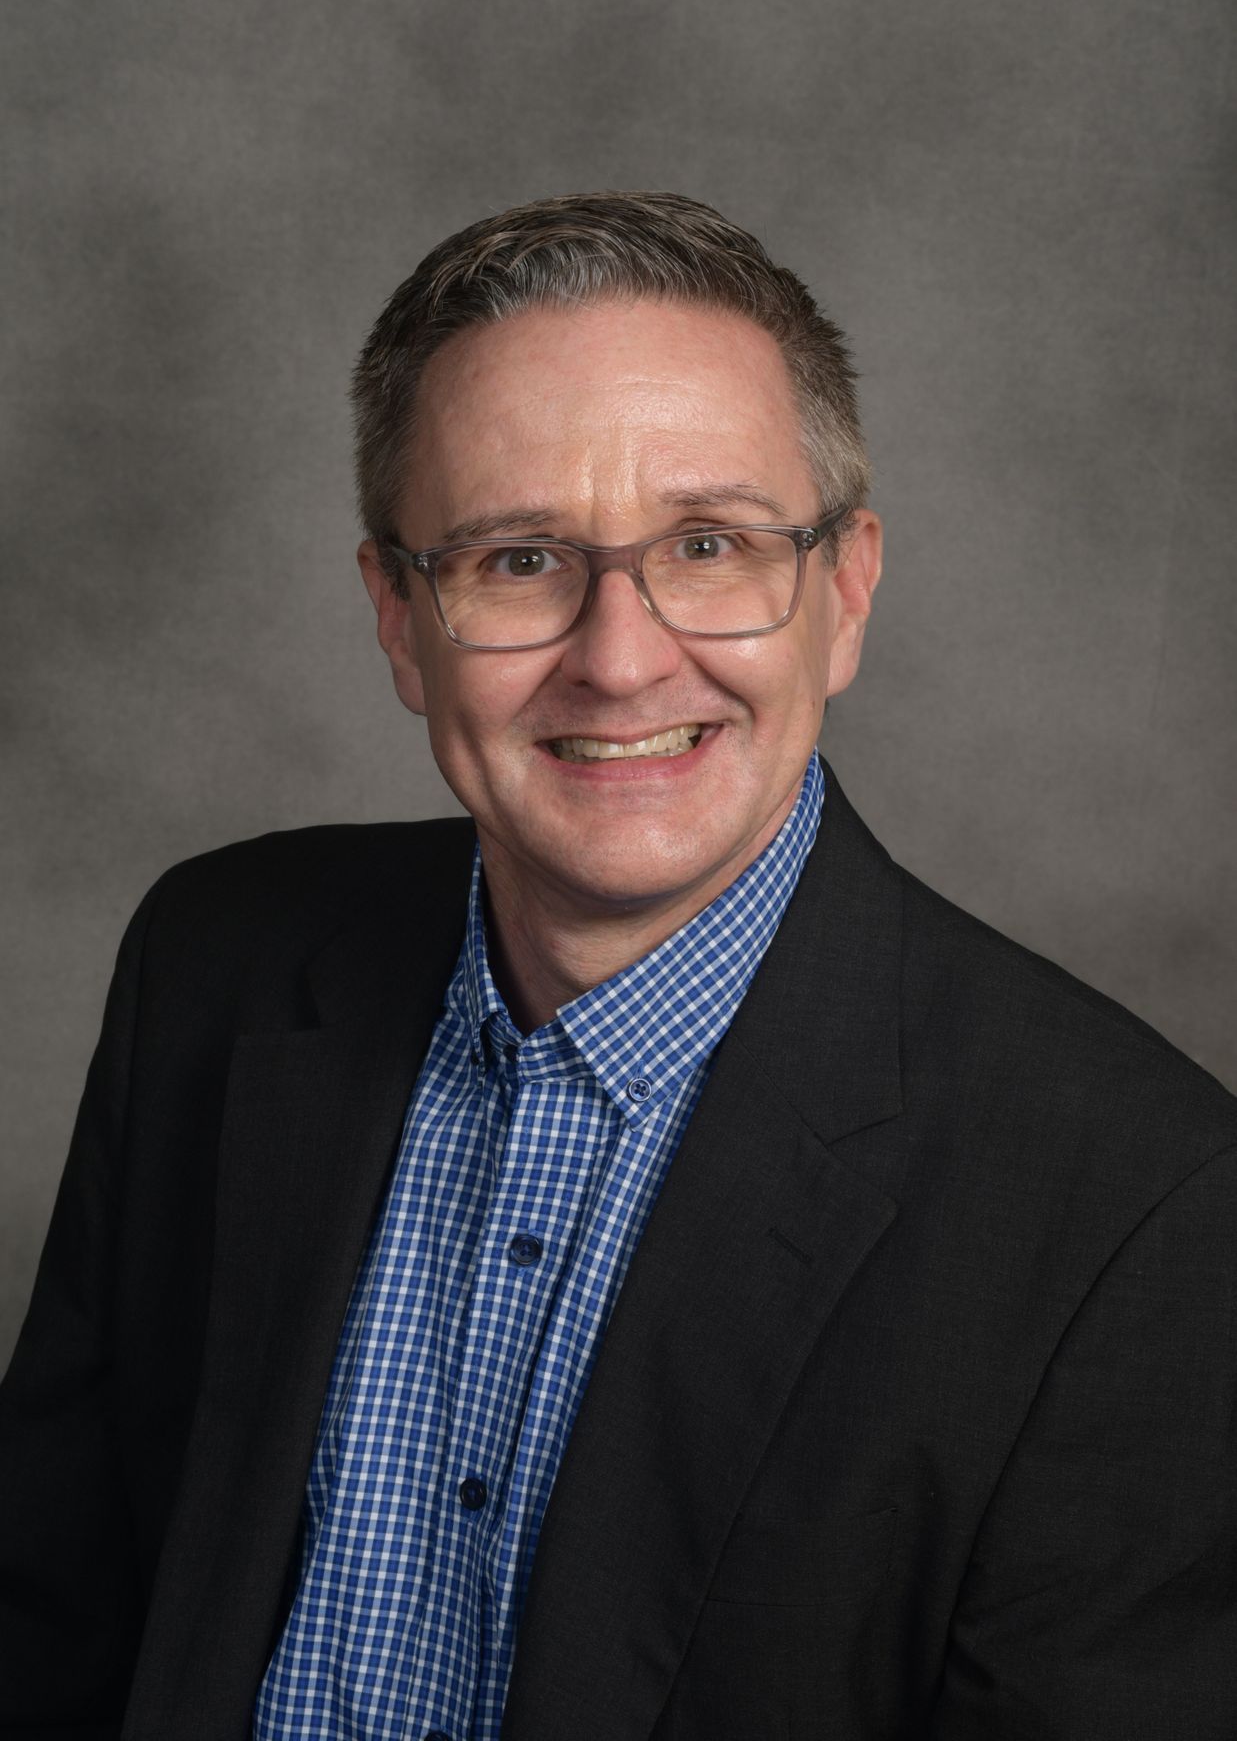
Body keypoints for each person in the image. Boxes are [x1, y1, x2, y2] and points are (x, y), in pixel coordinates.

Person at [1, 192, 1234, 1741]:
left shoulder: (1141, 1211)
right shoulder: (219, 968)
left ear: (842, 593)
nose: (622, 655)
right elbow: (47, 1621)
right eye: (519, 561)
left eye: (708, 544)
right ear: (398, 618)